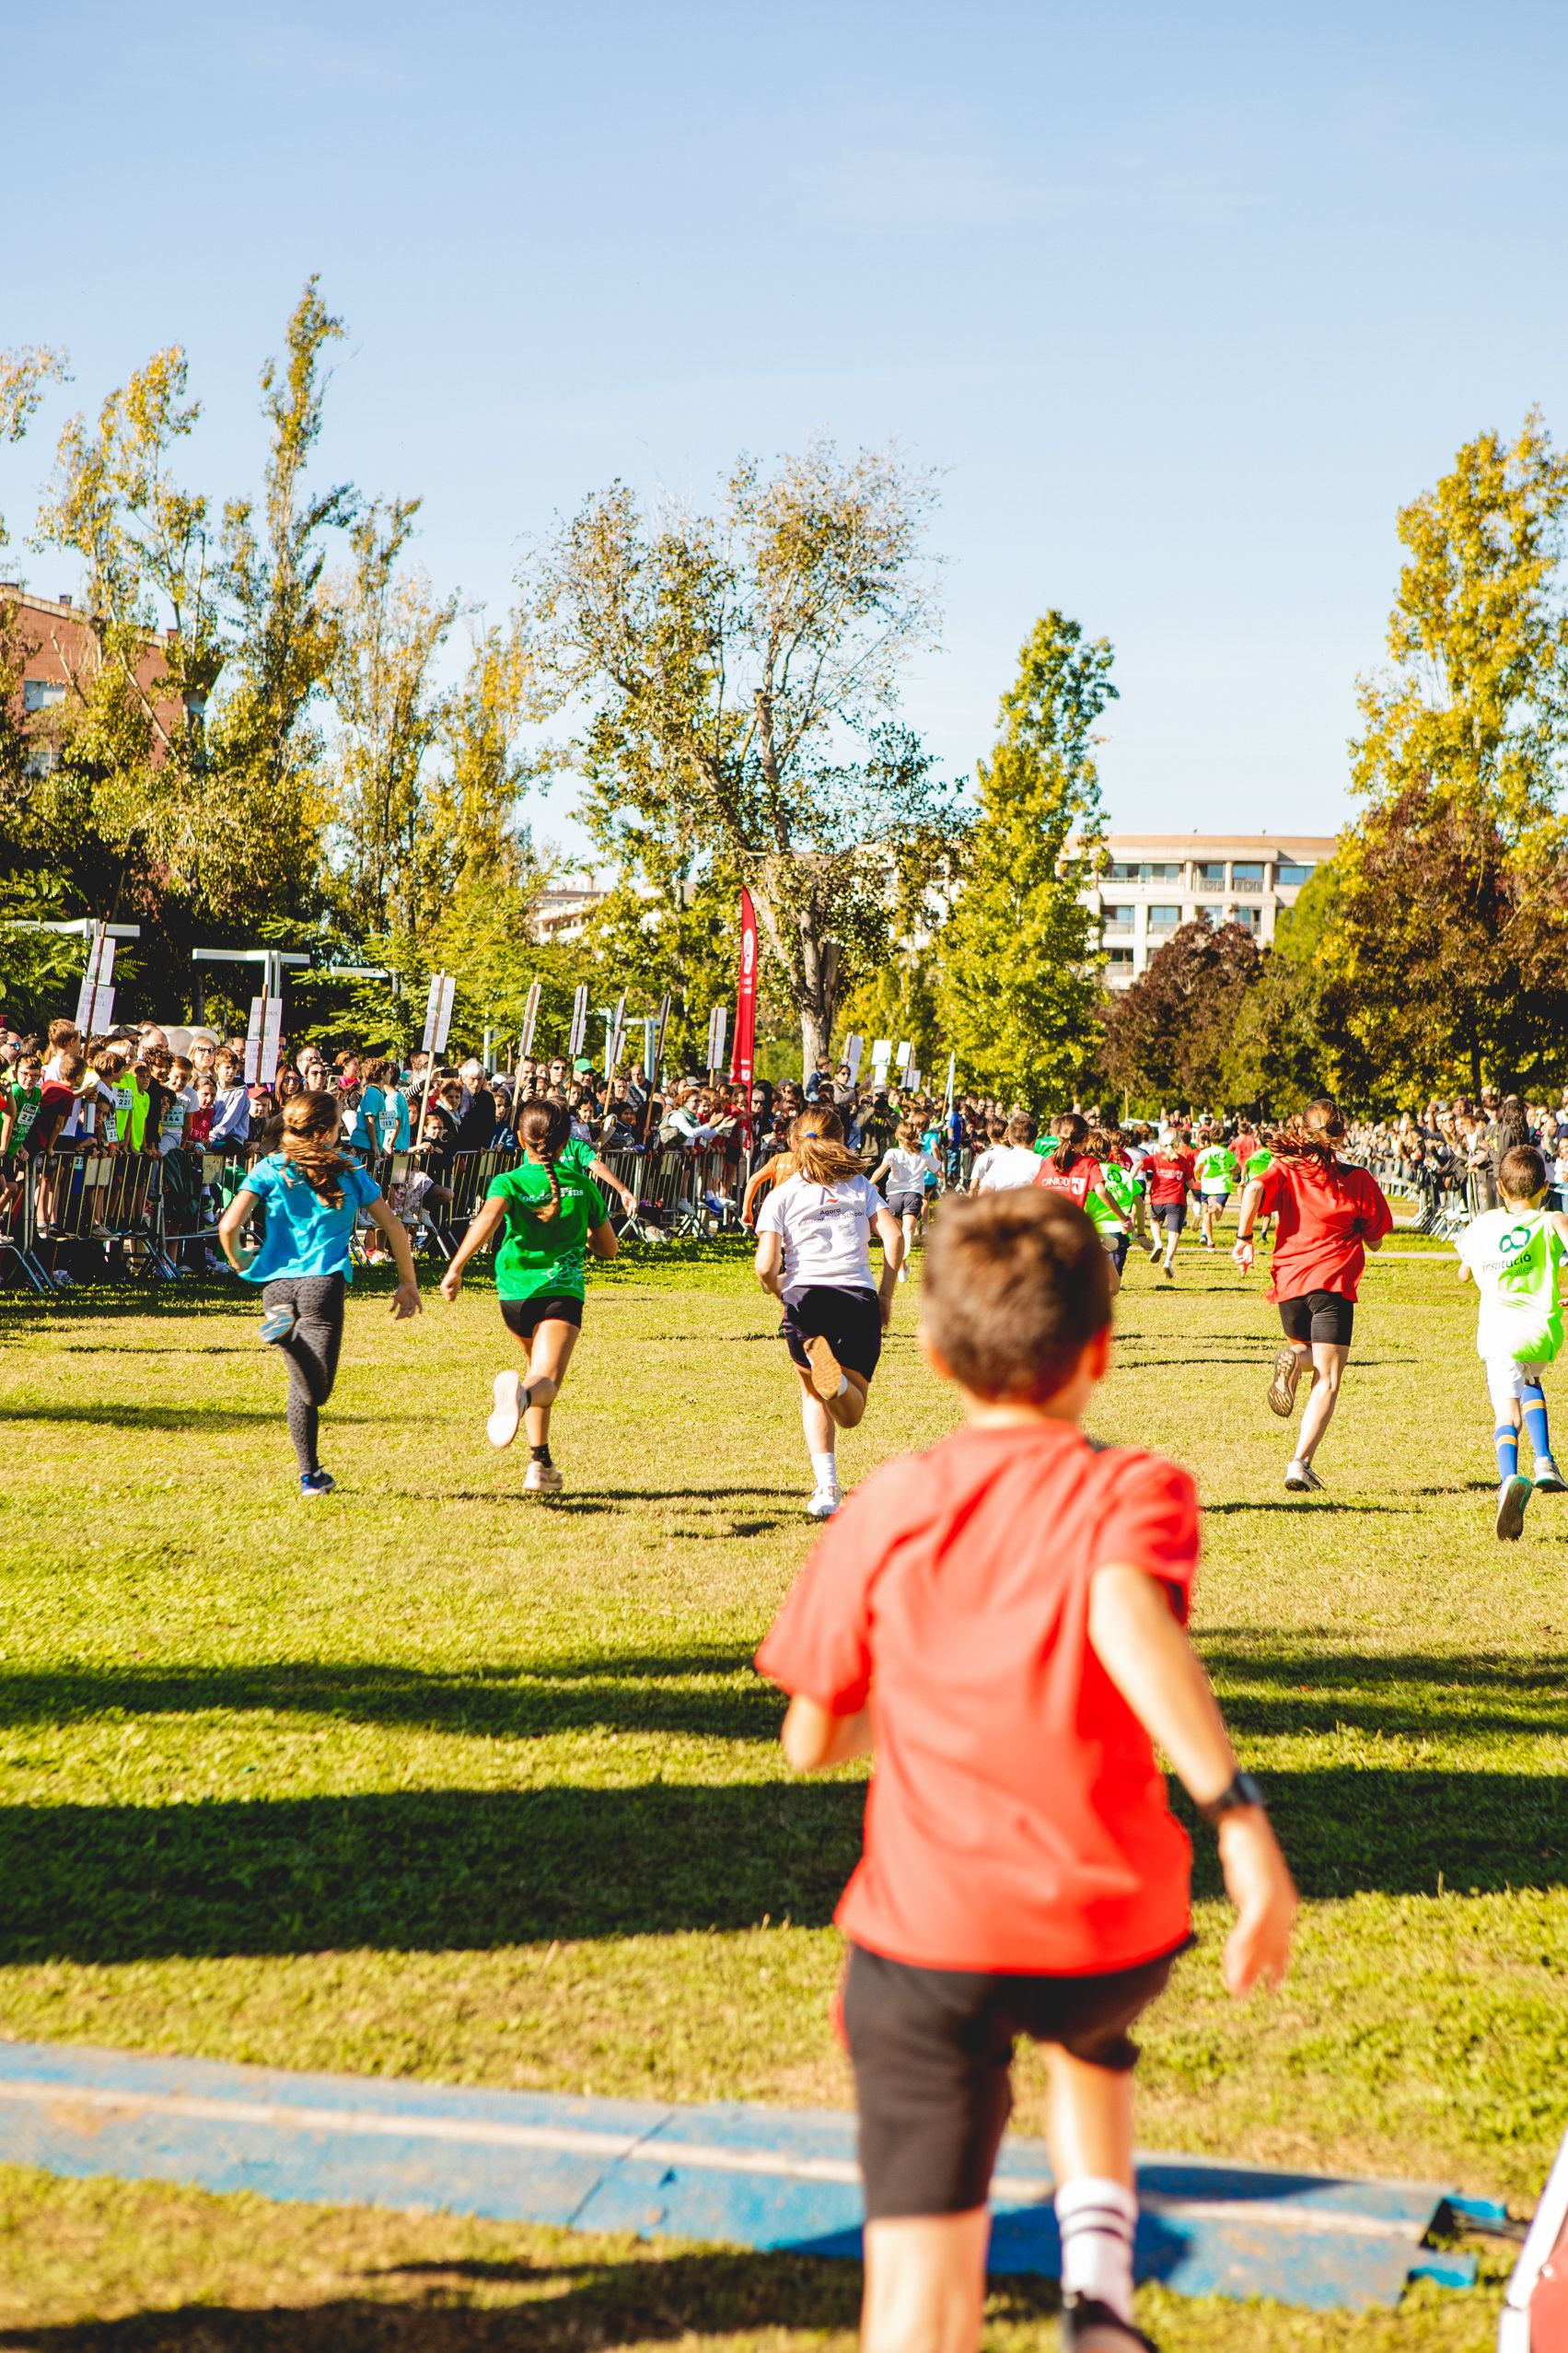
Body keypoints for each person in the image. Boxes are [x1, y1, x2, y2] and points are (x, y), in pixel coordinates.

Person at [756, 1189, 1296, 2353]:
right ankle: (1096, 2289)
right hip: (1108, 1927)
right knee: (1089, 2043)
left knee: (916, 2298)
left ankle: (1036, 2305)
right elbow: (1121, 1612)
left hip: (928, 1936)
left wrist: (914, 1694)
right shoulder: (1134, 1485)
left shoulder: (890, 1500)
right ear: (1097, 1352)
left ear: (935, 1351)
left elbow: (810, 1737)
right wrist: (1235, 1816)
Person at [216, 1090, 422, 1497]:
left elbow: (227, 1227)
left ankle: (310, 1475)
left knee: (300, 1385)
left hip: (274, 1288)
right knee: (318, 1388)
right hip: (321, 1286)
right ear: (326, 1132)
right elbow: (395, 1228)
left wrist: (241, 1262)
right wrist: (408, 1282)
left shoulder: (270, 1167)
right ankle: (287, 1338)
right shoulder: (348, 1170)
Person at [438, 1097, 618, 1495]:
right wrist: (580, 1230)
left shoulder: (510, 1181)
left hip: (514, 1298)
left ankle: (541, 1462)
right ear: (567, 1140)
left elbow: (487, 1219)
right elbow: (609, 1248)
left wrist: (456, 1267)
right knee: (544, 1383)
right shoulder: (583, 1184)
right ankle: (518, 1398)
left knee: (539, 1374)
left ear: (520, 1137)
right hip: (560, 1294)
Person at [1231, 1098, 1393, 1494]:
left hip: (1289, 1284)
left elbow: (1253, 1189)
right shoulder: (1357, 1178)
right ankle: (1300, 1463)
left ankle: (1292, 1359)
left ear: (1301, 1128)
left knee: (1306, 1353)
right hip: (1332, 1285)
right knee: (1328, 1379)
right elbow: (1375, 1241)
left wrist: (1245, 1238)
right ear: (1341, 1134)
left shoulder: (1285, 1168)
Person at [753, 1106, 904, 1520]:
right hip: (856, 1297)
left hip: (806, 1299)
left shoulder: (781, 1195)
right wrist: (886, 1294)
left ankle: (827, 1487)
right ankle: (835, 1382)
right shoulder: (860, 1186)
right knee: (851, 1412)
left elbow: (765, 1266)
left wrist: (780, 1292)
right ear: (843, 1140)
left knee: (813, 1395)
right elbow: (893, 1236)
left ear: (791, 1142)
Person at [1456, 1142, 1568, 1539]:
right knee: (1532, 1382)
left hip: (1499, 1333)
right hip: (1540, 1333)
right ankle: (1544, 1460)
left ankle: (1508, 1481)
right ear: (1545, 1186)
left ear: (1500, 1189)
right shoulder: (1552, 1220)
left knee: (1507, 1415)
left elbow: (1463, 1275)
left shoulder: (1483, 1225)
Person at [867, 1118, 941, 1282]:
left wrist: (870, 1183)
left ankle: (902, 1268)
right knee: (907, 1229)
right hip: (914, 1195)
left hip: (893, 1195)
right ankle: (905, 1252)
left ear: (898, 1137)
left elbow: (881, 1170)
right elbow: (939, 1172)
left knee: (898, 1233)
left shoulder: (893, 1153)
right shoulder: (923, 1155)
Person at [1142, 1129, 1196, 1280]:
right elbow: (1191, 1183)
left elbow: (1140, 1165)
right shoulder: (1183, 1161)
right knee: (1174, 1233)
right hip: (1177, 1200)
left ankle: (1158, 1243)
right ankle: (1168, 1261)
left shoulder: (1156, 1158)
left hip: (1157, 1199)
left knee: (1154, 1221)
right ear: (1177, 1143)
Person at [970, 1112, 1044, 1193]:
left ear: (1010, 1140)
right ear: (1035, 1140)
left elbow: (983, 1191)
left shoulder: (1001, 1160)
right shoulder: (1040, 1162)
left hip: (1001, 1203)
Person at [1192, 1125, 1239, 1251]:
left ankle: (1210, 1243)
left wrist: (1197, 1177)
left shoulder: (1205, 1152)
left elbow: (1196, 1169)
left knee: (1206, 1213)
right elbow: (1238, 1168)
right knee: (1217, 1217)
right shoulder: (1227, 1153)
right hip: (1222, 1186)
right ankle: (1213, 1209)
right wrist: (1229, 1171)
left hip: (1207, 1185)